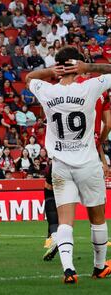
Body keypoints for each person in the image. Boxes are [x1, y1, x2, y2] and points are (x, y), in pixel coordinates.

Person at [26, 46, 111, 283]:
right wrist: (90, 68)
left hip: (61, 164)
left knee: (65, 221)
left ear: (60, 67)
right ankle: (98, 266)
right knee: (97, 217)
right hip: (87, 163)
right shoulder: (89, 86)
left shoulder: (46, 90)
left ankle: (69, 270)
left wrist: (50, 72)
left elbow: (28, 78)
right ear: (78, 65)